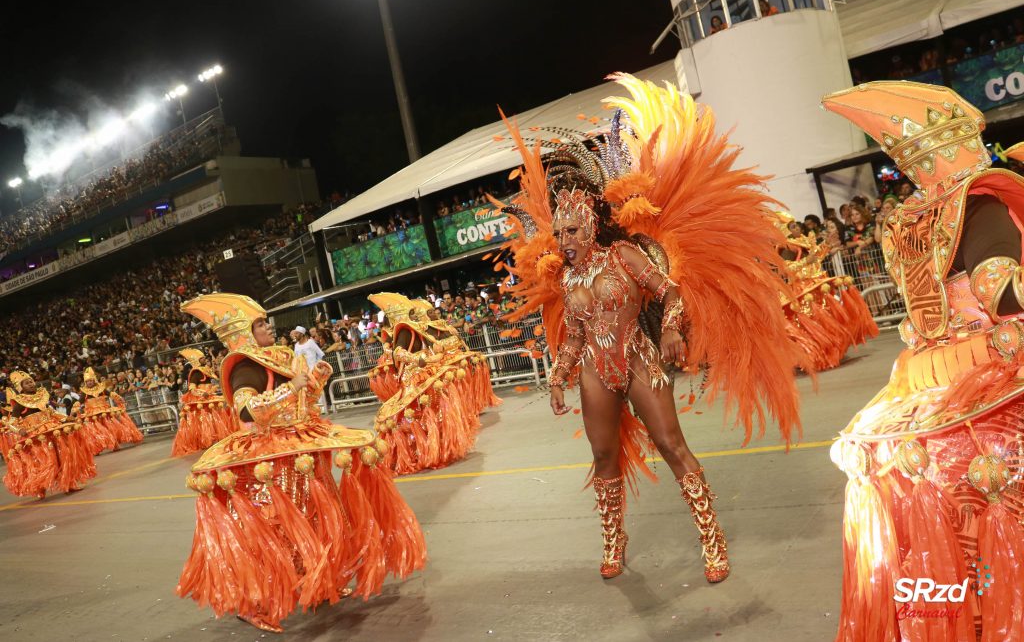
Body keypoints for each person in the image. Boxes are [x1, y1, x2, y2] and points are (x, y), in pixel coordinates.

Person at [496, 75, 807, 583]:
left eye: (571, 231)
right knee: (602, 455)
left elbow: (670, 292)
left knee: (672, 445)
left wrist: (670, 330)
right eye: (559, 233)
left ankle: (712, 540)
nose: (564, 240)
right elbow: (574, 335)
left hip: (639, 360)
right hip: (596, 373)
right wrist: (557, 376)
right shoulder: (568, 277)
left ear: (592, 227)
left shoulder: (624, 256)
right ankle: (614, 542)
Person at [823, 80, 1024, 638]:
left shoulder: (906, 224)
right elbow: (998, 290)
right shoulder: (980, 202)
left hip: (918, 384)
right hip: (990, 371)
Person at [177, 293, 426, 633]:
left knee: (319, 520)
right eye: (261, 323)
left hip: (301, 452)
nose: (269, 327)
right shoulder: (244, 366)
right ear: (245, 333)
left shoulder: (277, 358)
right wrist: (292, 387)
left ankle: (322, 581)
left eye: (266, 322)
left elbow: (303, 406)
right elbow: (248, 411)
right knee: (275, 531)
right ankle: (255, 600)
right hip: (268, 462)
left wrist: (315, 382)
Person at [367, 293, 500, 474]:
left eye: (414, 313)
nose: (415, 316)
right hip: (413, 377)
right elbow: (397, 352)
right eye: (411, 314)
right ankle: (422, 451)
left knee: (437, 410)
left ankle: (437, 448)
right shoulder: (403, 330)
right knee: (420, 413)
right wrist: (417, 359)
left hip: (428, 372)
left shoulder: (417, 328)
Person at [775, 212, 878, 371]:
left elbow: (816, 257)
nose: (798, 227)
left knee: (827, 320)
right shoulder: (785, 247)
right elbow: (784, 269)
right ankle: (814, 356)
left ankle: (829, 353)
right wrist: (804, 261)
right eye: (793, 226)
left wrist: (827, 245)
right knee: (811, 325)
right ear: (785, 230)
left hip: (816, 287)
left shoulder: (802, 242)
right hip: (803, 291)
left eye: (796, 224)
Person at [2, 370, 96, 498]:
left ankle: (69, 483)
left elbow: (51, 413)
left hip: (51, 429)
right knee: (41, 462)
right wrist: (19, 430)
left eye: (31, 381)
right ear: (21, 387)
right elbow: (11, 422)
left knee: (63, 456)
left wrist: (65, 418)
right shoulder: (19, 402)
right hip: (35, 436)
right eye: (27, 383)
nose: (31, 384)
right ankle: (40, 487)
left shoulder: (42, 396)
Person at [170, 348, 237, 457]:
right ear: (196, 360)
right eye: (201, 358)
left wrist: (211, 390)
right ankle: (203, 439)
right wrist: (202, 394)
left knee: (214, 417)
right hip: (200, 399)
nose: (204, 359)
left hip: (208, 396)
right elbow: (192, 388)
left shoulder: (206, 369)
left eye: (204, 358)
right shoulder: (196, 372)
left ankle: (213, 437)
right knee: (202, 420)